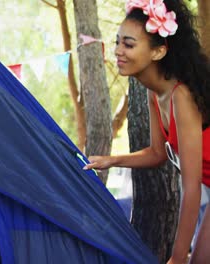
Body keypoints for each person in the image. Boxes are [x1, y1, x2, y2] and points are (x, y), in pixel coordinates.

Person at [82, 0, 210, 263]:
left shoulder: (181, 97)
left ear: (158, 52)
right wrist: (111, 160)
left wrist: (175, 259)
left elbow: (191, 190)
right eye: (117, 42)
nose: (118, 51)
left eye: (128, 44)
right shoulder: (155, 93)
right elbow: (156, 153)